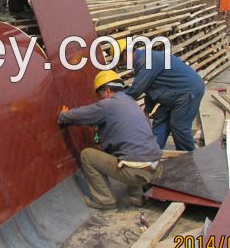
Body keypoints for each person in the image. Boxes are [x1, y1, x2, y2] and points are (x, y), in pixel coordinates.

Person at [58, 70, 162, 210]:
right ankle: (137, 196)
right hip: (155, 167)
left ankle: (105, 201)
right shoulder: (130, 102)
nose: (100, 98)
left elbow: (80, 115)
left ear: (107, 91)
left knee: (87, 155)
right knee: (129, 151)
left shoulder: (107, 105)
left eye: (99, 95)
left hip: (135, 172)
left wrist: (64, 115)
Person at [111, 39, 205, 151]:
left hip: (187, 91)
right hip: (174, 93)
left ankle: (188, 159)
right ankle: (152, 152)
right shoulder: (144, 60)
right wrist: (147, 109)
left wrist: (114, 102)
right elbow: (150, 88)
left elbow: (136, 89)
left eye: (122, 62)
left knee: (179, 126)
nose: (124, 65)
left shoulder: (146, 60)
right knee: (160, 119)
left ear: (126, 54)